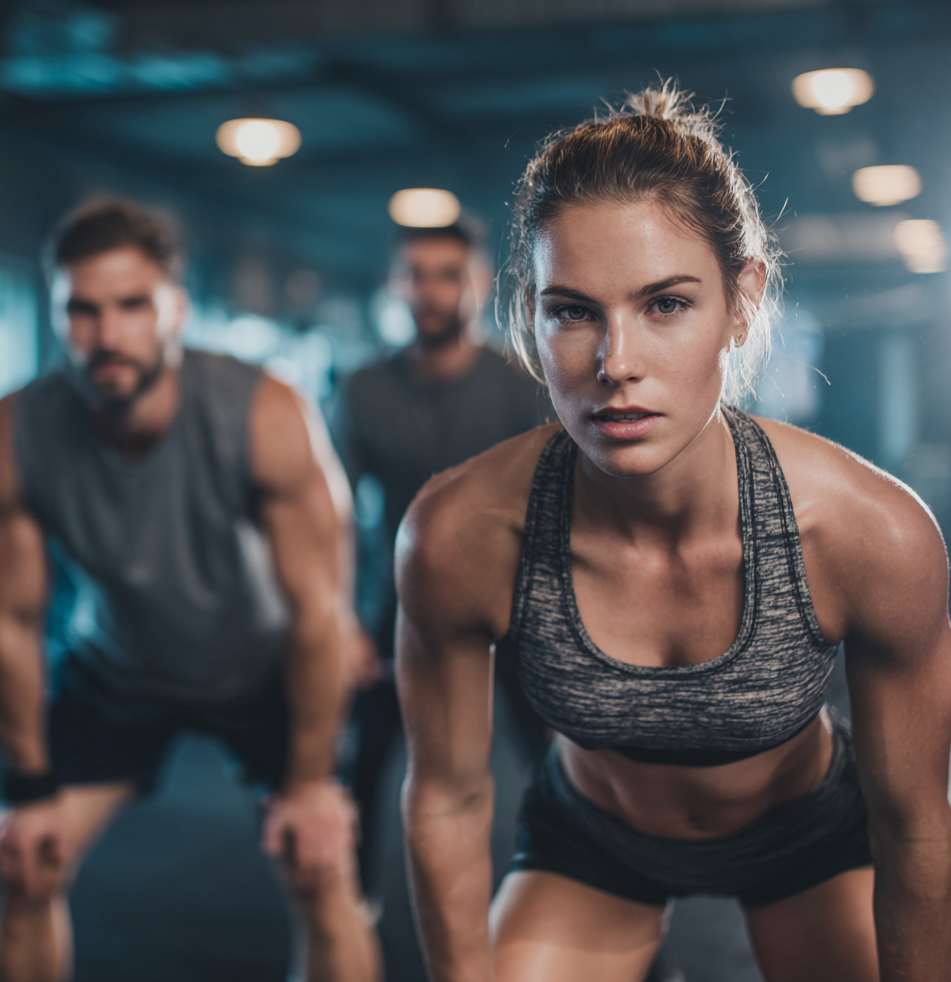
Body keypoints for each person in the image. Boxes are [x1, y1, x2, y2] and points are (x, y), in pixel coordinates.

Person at [396, 87, 951, 982]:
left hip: (806, 839)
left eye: (665, 305)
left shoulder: (867, 534)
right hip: (594, 844)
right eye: (573, 311)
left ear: (741, 302)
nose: (617, 363)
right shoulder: (461, 532)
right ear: (531, 320)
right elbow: (450, 801)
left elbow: (918, 826)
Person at [0, 199, 380, 982]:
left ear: (177, 309)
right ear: (56, 313)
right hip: (116, 669)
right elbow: (9, 621)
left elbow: (318, 613)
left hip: (265, 668)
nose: (108, 335)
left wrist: (311, 782)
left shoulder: (263, 412)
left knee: (323, 867)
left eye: (133, 305)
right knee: (26, 863)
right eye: (82, 310)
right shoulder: (15, 432)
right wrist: (25, 784)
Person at [334, 221, 551, 896]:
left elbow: (557, 507)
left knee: (558, 767)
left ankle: (603, 918)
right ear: (396, 286)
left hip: (514, 609)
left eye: (446, 274)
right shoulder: (363, 389)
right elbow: (333, 513)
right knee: (367, 764)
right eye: (415, 274)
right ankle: (354, 909)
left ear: (478, 284)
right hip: (394, 609)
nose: (429, 290)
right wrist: (341, 618)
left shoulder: (521, 387)